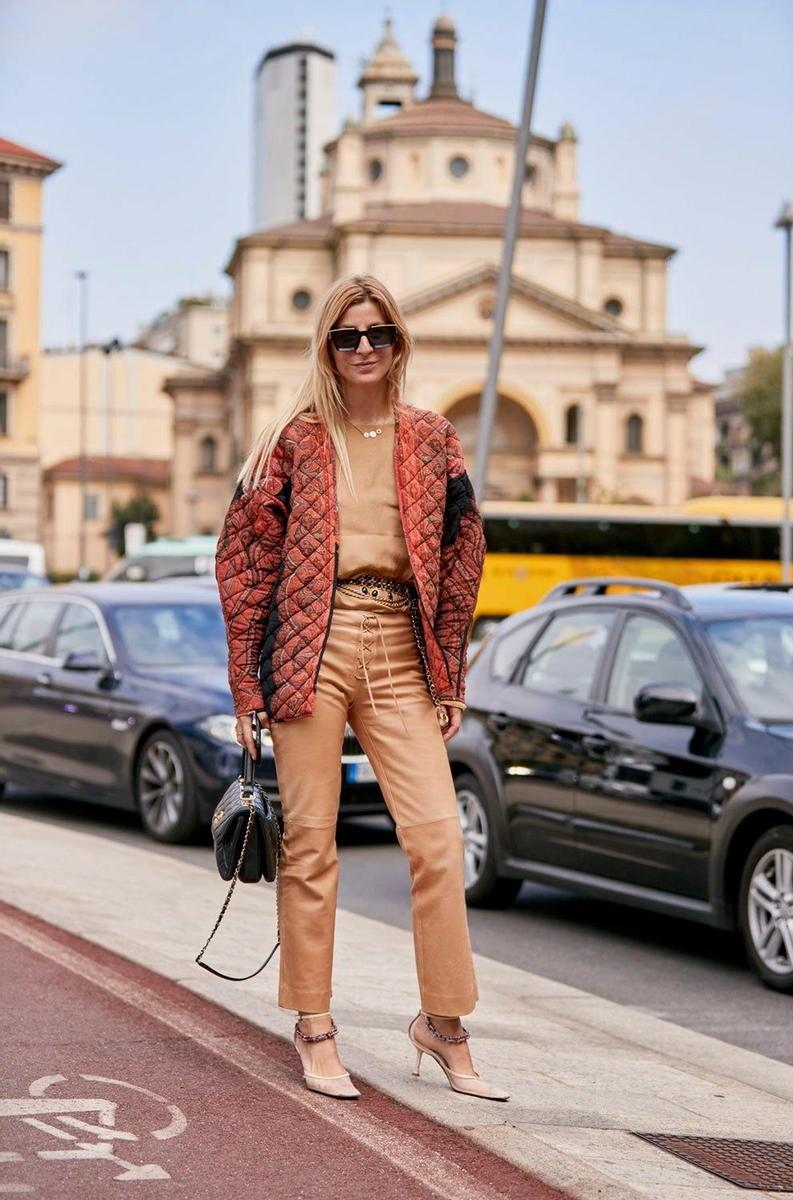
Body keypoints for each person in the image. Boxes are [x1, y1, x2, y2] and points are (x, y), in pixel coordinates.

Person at [215, 273, 509, 1103]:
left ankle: (443, 1023)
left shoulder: (432, 439)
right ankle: (313, 1023)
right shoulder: (294, 441)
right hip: (312, 646)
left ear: (399, 342)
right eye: (348, 337)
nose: (365, 348)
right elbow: (243, 564)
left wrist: (448, 669)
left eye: (378, 333)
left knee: (437, 841)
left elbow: (461, 558)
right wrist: (247, 685)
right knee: (312, 845)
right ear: (327, 349)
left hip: (402, 651)